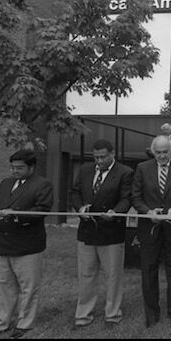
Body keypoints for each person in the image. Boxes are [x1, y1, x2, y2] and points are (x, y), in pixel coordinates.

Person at [0, 150, 54, 338]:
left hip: (28, 244)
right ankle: (3, 322)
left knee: (28, 287)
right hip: (4, 242)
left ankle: (25, 324)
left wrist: (14, 214)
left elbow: (42, 210)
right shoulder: (5, 183)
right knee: (4, 285)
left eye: (19, 168)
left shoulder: (43, 184)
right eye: (12, 167)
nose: (14, 171)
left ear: (31, 167)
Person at [70, 139, 134, 327]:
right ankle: (83, 315)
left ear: (112, 154)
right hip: (87, 232)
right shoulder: (84, 170)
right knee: (86, 275)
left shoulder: (125, 172)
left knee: (113, 276)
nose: (99, 161)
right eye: (96, 157)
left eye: (103, 157)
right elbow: (74, 192)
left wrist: (116, 212)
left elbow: (126, 198)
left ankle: (112, 314)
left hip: (111, 233)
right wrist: (80, 208)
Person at [131, 135, 171, 327]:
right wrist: (147, 212)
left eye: (166, 152)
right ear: (152, 152)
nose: (162, 156)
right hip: (149, 229)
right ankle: (151, 313)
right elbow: (135, 196)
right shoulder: (142, 168)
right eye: (158, 152)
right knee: (148, 272)